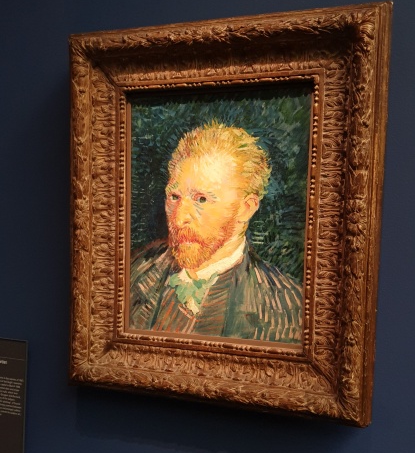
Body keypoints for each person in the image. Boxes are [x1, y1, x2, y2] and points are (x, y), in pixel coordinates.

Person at [129, 122, 303, 344]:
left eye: (201, 199)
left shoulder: (287, 306)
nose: (179, 219)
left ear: (245, 209)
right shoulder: (133, 269)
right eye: (174, 197)